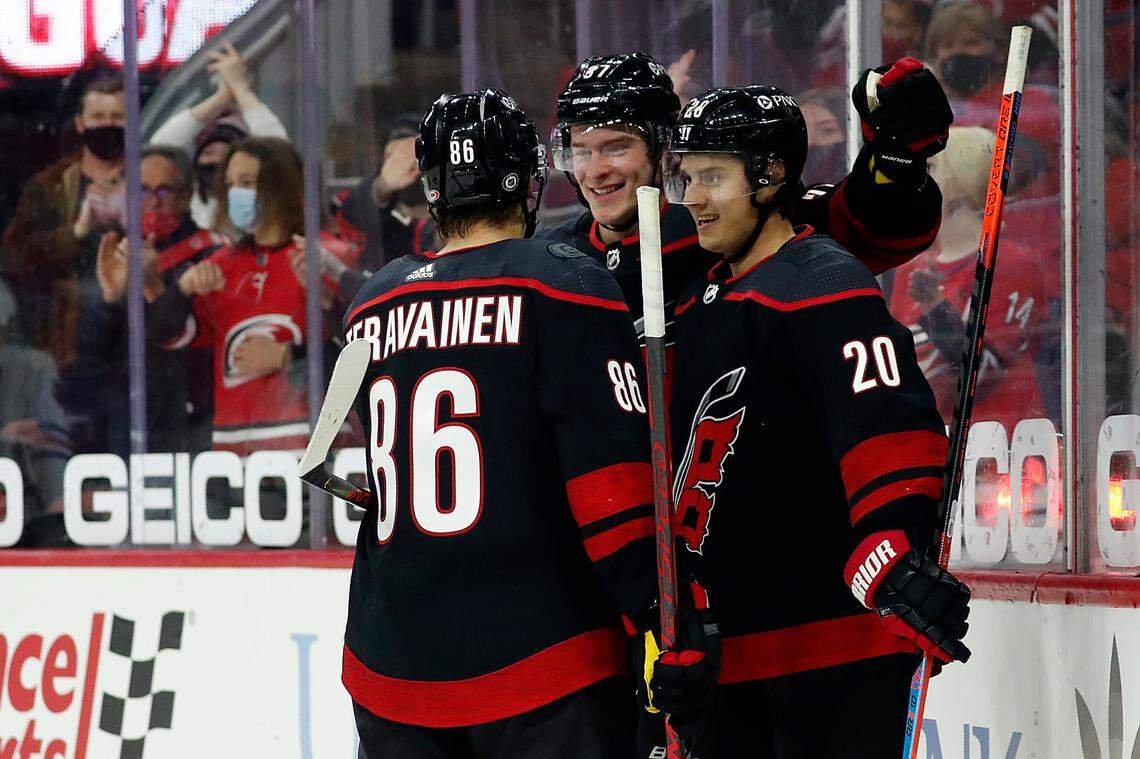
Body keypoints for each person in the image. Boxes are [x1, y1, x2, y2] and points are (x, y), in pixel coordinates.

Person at [340, 89, 715, 759]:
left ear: (432, 190)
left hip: (390, 664)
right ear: (527, 181)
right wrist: (671, 617)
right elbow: (612, 491)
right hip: (542, 661)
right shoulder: (560, 282)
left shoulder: (374, 301)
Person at [654, 87, 971, 757]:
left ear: (769, 176)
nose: (693, 197)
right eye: (686, 175)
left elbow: (889, 428)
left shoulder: (823, 284)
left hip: (831, 654)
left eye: (713, 175)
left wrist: (892, 545)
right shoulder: (692, 304)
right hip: (725, 655)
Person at [544, 52, 951, 342]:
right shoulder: (551, 258)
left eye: (616, 147)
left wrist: (895, 165)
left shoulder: (724, 224)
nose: (594, 171)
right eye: (581, 151)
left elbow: (868, 227)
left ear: (665, 146)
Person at [888, 126, 1057, 432]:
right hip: (932, 441)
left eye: (932, 167)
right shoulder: (909, 269)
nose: (919, 178)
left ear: (963, 182)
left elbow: (984, 372)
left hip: (997, 443)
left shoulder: (1011, 265)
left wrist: (937, 310)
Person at [159, 137, 310, 455]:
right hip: (231, 445)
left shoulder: (321, 256)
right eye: (230, 184)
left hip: (308, 439)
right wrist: (180, 292)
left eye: (248, 182)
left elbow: (361, 347)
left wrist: (289, 357)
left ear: (281, 186)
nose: (236, 194)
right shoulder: (219, 265)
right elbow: (170, 338)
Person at [1, 76, 126, 453]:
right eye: (99, 115)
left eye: (118, 116)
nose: (108, 125)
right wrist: (74, 233)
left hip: (133, 349)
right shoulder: (52, 185)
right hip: (67, 352)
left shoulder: (150, 180)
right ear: (80, 123)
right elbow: (15, 259)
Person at [94, 145, 227, 453]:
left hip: (193, 417)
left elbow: (186, 339)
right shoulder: (113, 250)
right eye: (141, 190)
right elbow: (94, 355)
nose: (152, 201)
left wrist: (154, 286)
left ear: (186, 195)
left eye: (164, 190)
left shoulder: (213, 253)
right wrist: (111, 298)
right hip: (127, 414)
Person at [149, 41, 288, 229]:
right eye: (208, 153)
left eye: (226, 155)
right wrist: (220, 99)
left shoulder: (257, 203)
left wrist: (241, 89)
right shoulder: (194, 204)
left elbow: (280, 150)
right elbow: (159, 150)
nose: (216, 161)